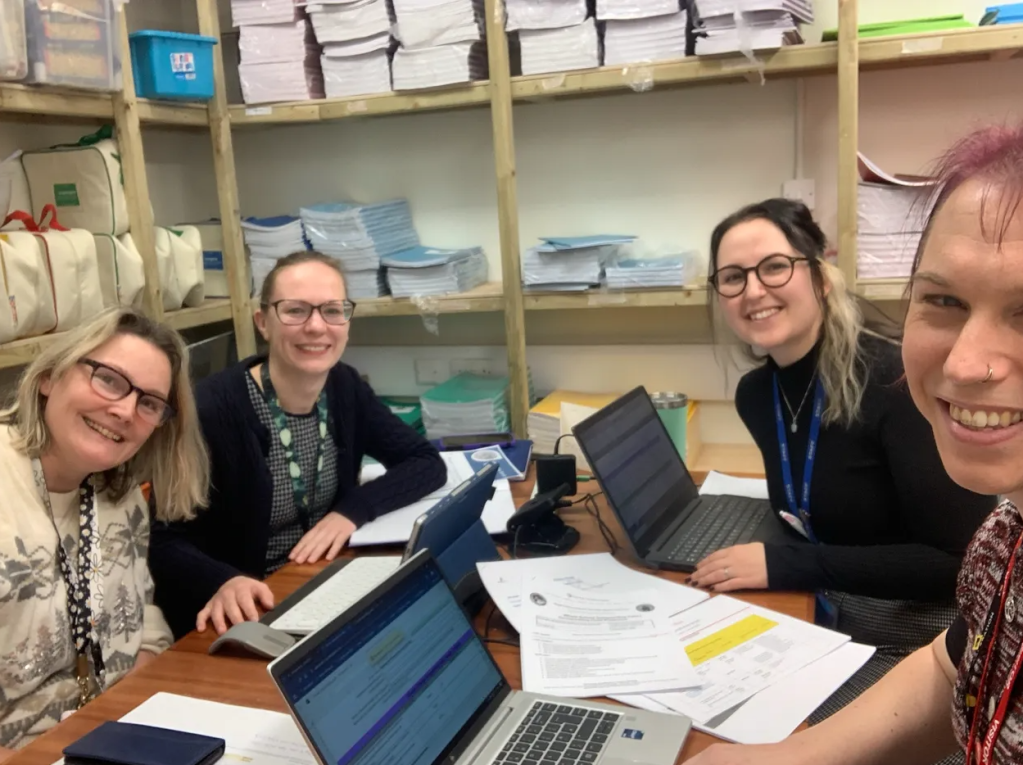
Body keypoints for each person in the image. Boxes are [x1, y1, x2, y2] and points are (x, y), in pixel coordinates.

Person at [688, 124, 1023, 765]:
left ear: (822, 272)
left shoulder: (890, 383)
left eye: (774, 266)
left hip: (889, 621)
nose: (963, 364)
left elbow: (942, 561)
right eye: (733, 277)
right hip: (832, 618)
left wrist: (789, 566)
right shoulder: (1006, 539)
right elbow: (958, 662)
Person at [150, 251, 447, 639]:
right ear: (264, 323)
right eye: (295, 311)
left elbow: (426, 462)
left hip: (315, 582)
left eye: (332, 310)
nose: (316, 326)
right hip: (239, 611)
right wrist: (224, 580)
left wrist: (352, 510)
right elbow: (161, 539)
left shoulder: (345, 387)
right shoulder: (210, 410)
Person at [0, 308, 208, 755]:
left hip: (105, 733)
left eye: (149, 402)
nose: (124, 410)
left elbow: (140, 619)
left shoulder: (121, 492)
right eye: (109, 379)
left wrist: (132, 703)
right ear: (50, 377)